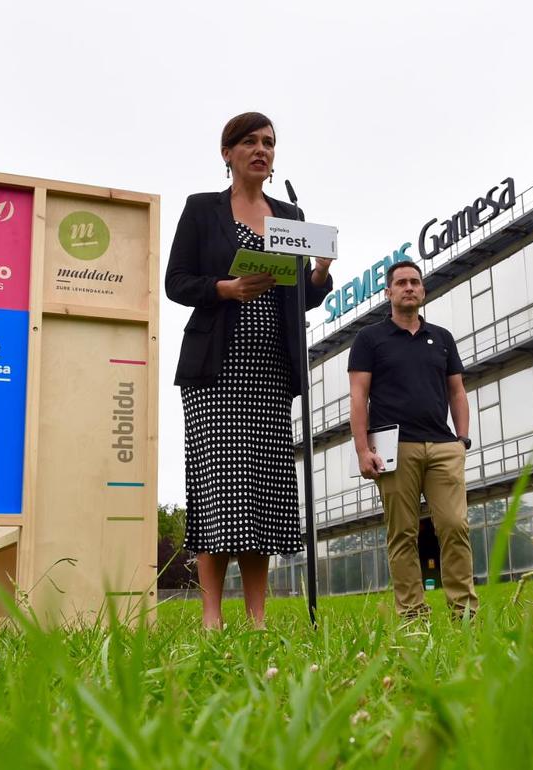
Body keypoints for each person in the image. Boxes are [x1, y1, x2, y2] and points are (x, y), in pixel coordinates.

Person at [164, 112, 333, 630]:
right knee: (220, 491)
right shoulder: (202, 210)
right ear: (228, 153)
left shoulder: (289, 214)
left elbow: (298, 296)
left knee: (262, 491)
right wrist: (224, 288)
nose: (262, 150)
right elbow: (176, 282)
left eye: (270, 143)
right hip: (216, 370)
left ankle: (258, 617)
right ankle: (211, 616)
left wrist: (320, 274)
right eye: (251, 142)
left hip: (270, 370)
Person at [348, 261, 479, 620]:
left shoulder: (442, 338)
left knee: (454, 526)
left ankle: (464, 612)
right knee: (402, 534)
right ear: (388, 293)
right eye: (401, 283)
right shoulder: (369, 339)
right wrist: (362, 449)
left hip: (442, 446)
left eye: (415, 282)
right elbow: (359, 396)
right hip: (393, 448)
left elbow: (457, 391)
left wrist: (461, 439)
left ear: (423, 291)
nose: (409, 287)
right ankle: (413, 615)